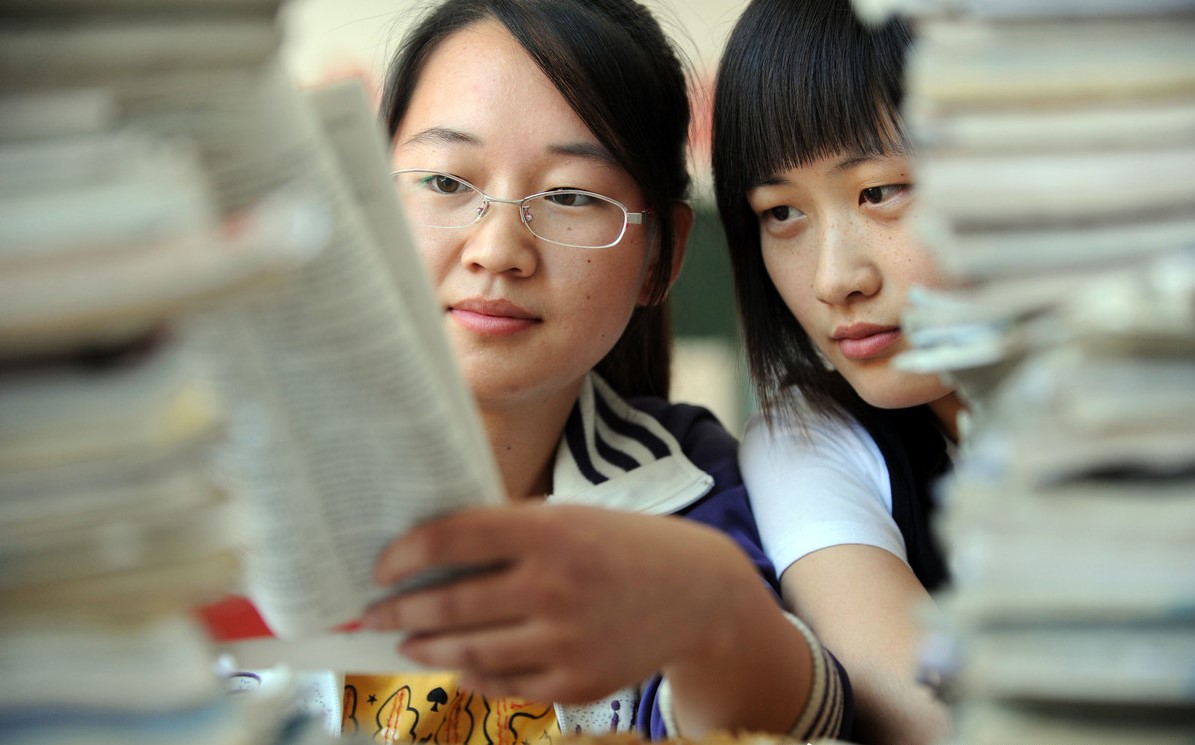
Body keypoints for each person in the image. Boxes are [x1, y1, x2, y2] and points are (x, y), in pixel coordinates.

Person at [346, 1, 852, 743]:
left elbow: (797, 710)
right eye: (447, 182)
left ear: (662, 259)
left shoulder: (706, 499)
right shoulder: (195, 476)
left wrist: (708, 603)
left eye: (571, 195)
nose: (497, 249)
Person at [711, 0, 963, 743]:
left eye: (879, 192)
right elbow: (937, 715)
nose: (832, 279)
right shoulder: (810, 436)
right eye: (781, 214)